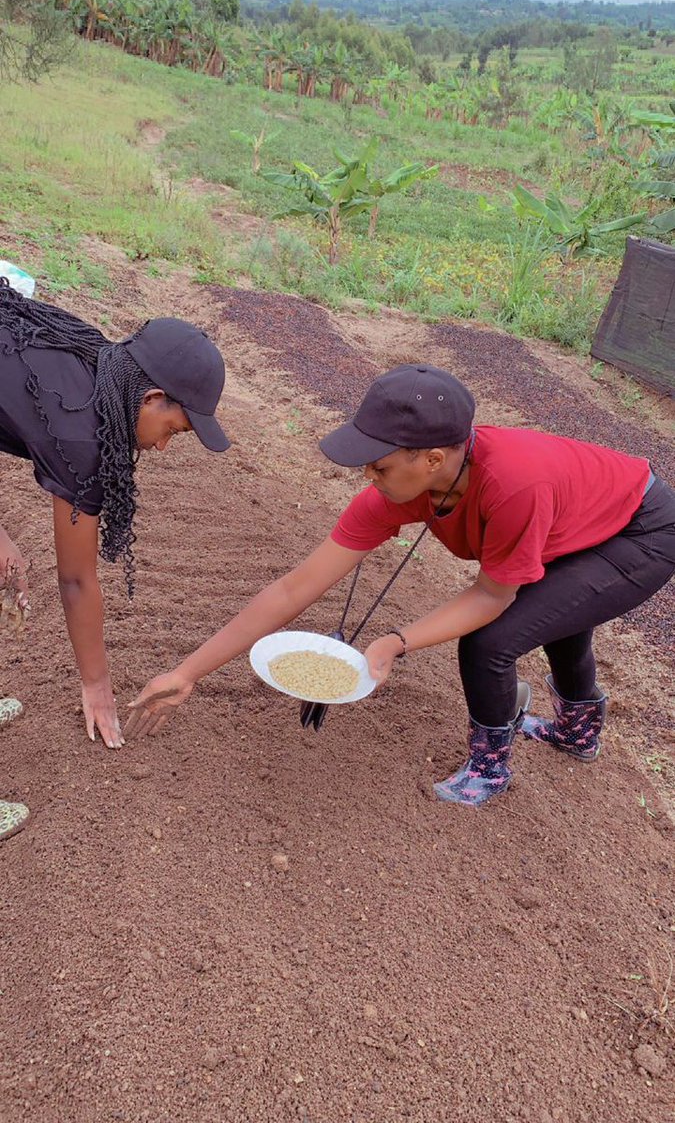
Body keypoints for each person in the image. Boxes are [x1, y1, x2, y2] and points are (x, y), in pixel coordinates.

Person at [125, 364, 675, 807]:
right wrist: (186, 672)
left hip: (642, 531)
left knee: (492, 641)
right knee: (557, 614)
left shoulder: (513, 487)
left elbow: (491, 596)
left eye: (378, 465)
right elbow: (295, 589)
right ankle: (578, 734)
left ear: (432, 459)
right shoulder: (404, 487)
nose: (369, 476)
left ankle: (490, 767)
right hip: (573, 519)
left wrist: (396, 640)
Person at [0, 281, 230, 834]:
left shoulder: (94, 357)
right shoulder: (85, 440)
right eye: (174, 429)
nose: (164, 446)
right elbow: (75, 579)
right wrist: (97, 685)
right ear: (151, 399)